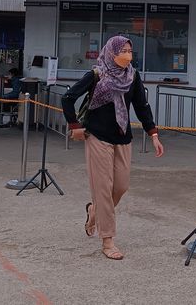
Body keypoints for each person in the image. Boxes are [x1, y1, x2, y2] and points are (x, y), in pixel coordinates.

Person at [62, 36, 163, 261]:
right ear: (111, 52)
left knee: (121, 185)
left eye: (130, 51)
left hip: (122, 137)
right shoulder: (96, 75)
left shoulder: (132, 76)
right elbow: (68, 98)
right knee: (103, 188)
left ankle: (94, 212)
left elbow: (141, 105)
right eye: (123, 51)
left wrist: (153, 133)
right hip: (97, 136)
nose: (128, 55)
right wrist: (75, 126)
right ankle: (107, 240)